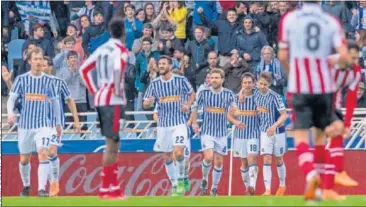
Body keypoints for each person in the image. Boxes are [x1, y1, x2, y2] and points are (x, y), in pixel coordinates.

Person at [277, 1, 351, 201]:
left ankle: (311, 177)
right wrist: (332, 63)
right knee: (319, 137)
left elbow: (282, 55)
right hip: (324, 88)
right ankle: (319, 190)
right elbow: (344, 57)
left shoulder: (289, 19)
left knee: (301, 137)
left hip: (299, 87)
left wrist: (291, 74)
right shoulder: (331, 21)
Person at [79, 18, 129, 200]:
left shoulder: (101, 49)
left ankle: (110, 187)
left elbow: (83, 69)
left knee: (113, 143)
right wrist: (116, 89)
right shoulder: (121, 50)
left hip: (101, 98)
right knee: (113, 144)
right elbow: (117, 69)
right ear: (123, 33)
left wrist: (94, 90)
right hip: (113, 99)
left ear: (110, 32)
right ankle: (108, 188)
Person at [7, 47, 62, 197]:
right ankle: (26, 186)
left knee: (42, 152)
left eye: (41, 58)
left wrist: (58, 123)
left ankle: (41, 189)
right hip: (25, 126)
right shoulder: (22, 79)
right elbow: (11, 99)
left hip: (43, 124)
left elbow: (56, 102)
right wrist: (11, 113)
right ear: (30, 61)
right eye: (36, 59)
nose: (39, 61)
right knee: (24, 159)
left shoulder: (49, 80)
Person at [143, 56, 195, 196]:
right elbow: (145, 103)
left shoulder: (180, 80)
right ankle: (175, 184)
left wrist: (188, 105)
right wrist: (148, 102)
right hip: (163, 125)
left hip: (179, 123)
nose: (161, 66)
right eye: (159, 63)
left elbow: (192, 94)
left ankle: (180, 180)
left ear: (170, 66)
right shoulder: (154, 84)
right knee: (167, 157)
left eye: (164, 63)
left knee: (178, 152)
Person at [191, 69, 245, 196]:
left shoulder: (228, 94)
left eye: (216, 78)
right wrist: (194, 122)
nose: (213, 80)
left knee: (219, 162)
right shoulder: (203, 92)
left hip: (221, 132)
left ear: (222, 79)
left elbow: (235, 109)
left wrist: (236, 114)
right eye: (212, 78)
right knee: (209, 157)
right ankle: (204, 179)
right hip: (207, 131)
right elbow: (195, 107)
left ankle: (214, 188)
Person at [319, 41, 361, 201]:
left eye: (357, 58)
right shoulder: (329, 63)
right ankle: (339, 170)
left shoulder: (356, 72)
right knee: (334, 136)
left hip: (332, 105)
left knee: (333, 143)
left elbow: (351, 99)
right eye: (352, 57)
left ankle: (328, 188)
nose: (354, 61)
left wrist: (348, 124)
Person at [41, 56, 81, 196]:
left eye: (44, 65)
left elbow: (69, 100)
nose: (41, 67)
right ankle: (48, 185)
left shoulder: (59, 82)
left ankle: (54, 183)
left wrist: (76, 121)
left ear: (50, 67)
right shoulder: (33, 83)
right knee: (44, 155)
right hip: (39, 125)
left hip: (55, 124)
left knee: (51, 152)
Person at [253, 72, 288, 196]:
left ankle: (282, 185)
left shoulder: (275, 97)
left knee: (279, 159)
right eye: (260, 83)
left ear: (269, 85)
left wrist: (274, 125)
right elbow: (244, 88)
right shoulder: (255, 93)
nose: (262, 86)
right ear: (257, 82)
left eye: (265, 84)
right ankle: (267, 190)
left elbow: (284, 115)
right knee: (266, 158)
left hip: (277, 132)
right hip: (264, 131)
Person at [229, 72, 260, 196]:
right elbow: (228, 115)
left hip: (253, 134)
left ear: (253, 84)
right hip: (240, 135)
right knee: (244, 163)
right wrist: (235, 121)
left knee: (251, 157)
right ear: (241, 84)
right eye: (245, 83)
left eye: (249, 82)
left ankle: (252, 185)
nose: (247, 85)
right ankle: (248, 188)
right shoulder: (235, 98)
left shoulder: (258, 97)